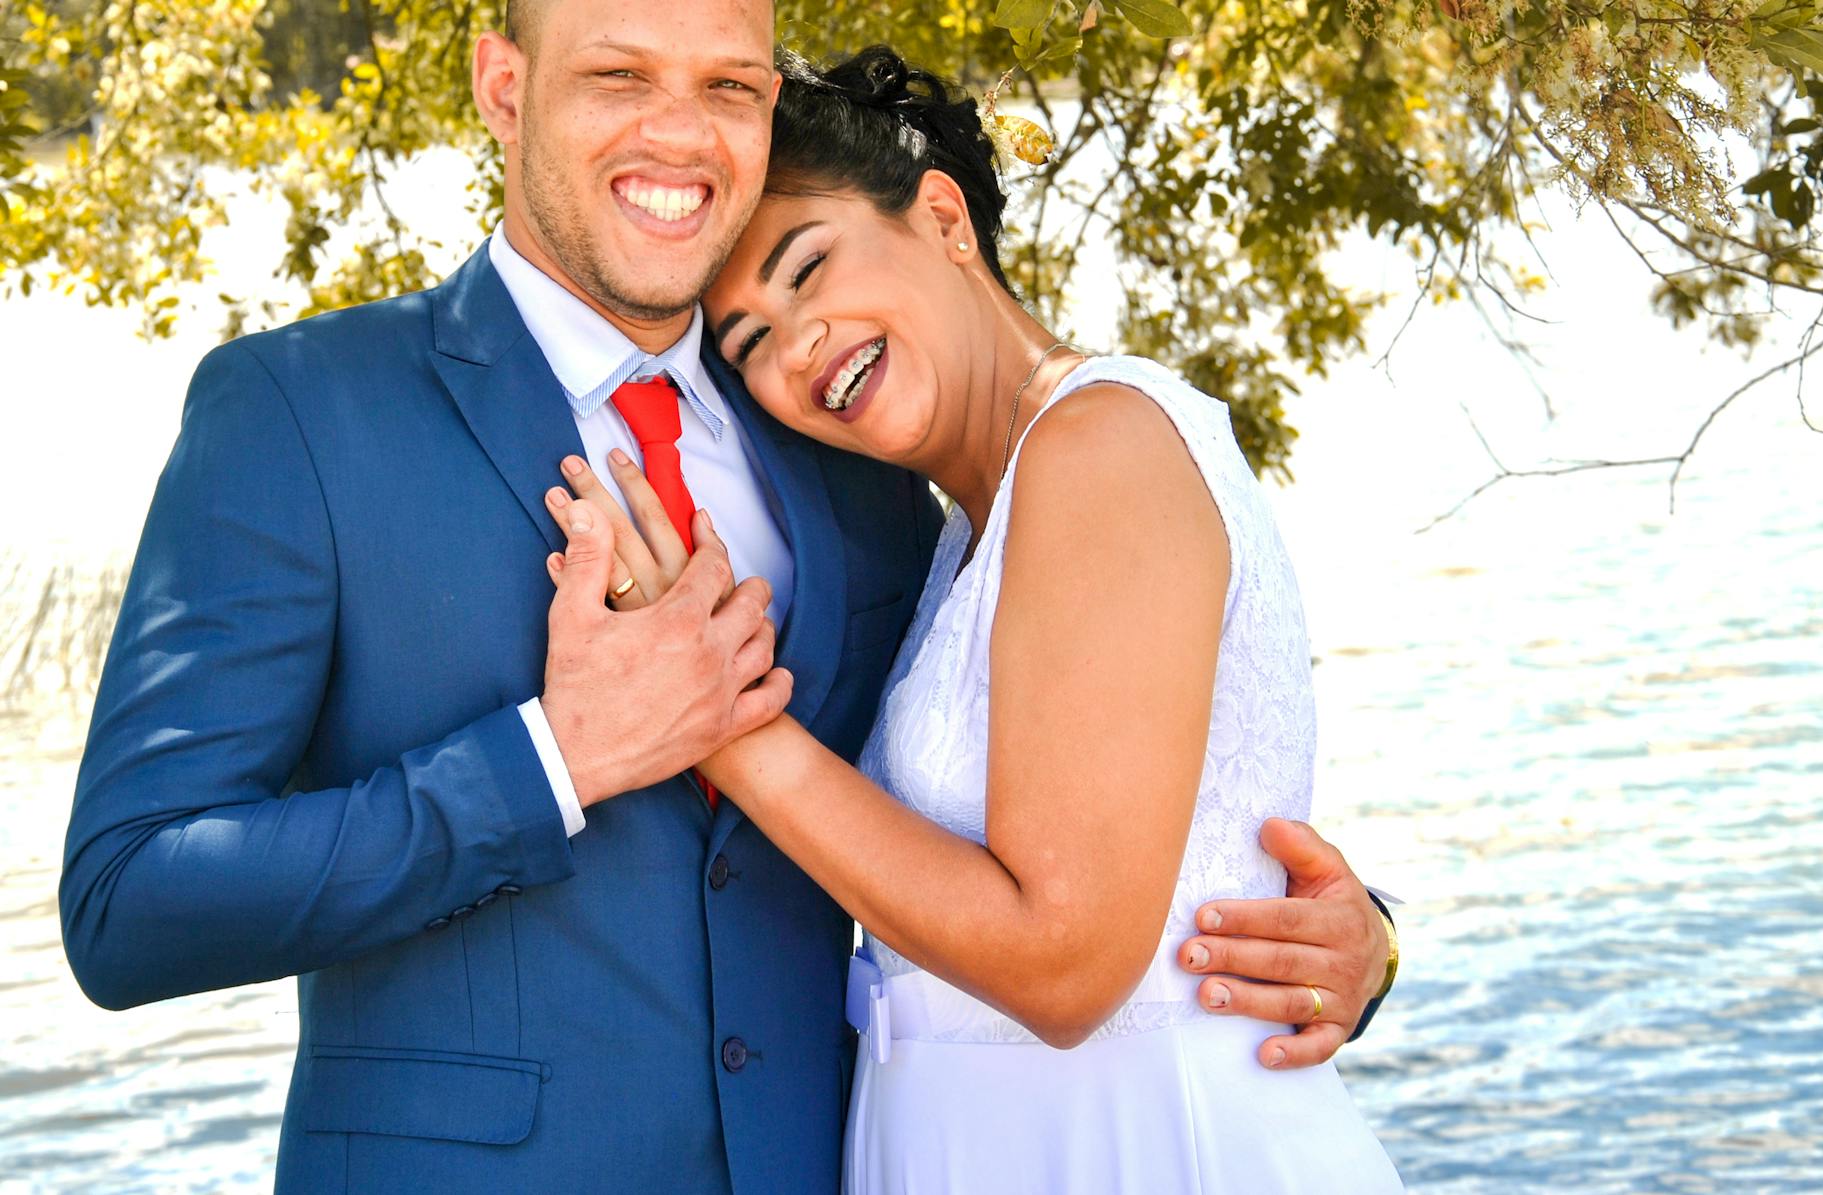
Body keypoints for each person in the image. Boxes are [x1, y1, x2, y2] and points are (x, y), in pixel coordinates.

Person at [59, 2, 1397, 1191]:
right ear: (504, 87)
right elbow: (129, 899)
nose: (678, 132)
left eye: (730, 84)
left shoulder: (860, 459)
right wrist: (553, 759)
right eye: (617, 75)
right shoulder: (300, 414)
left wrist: (1352, 934)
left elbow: (1062, 789)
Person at [541, 45, 1405, 1192]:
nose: (795, 344)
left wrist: (720, 722)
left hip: (1140, 1149)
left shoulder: (1101, 446)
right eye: (746, 342)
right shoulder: (946, 540)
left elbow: (1064, 965)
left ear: (942, 218)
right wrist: (1370, 939)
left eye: (808, 268)